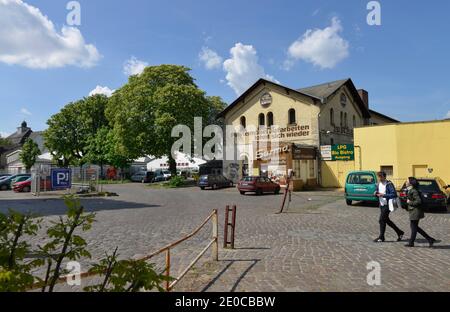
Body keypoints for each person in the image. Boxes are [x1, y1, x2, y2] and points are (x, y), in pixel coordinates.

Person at [404, 177, 436, 248]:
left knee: (414, 227)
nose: (406, 182)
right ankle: (429, 239)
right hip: (413, 211)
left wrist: (410, 202)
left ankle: (412, 242)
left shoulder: (414, 191)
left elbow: (418, 201)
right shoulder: (410, 190)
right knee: (414, 227)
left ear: (410, 183)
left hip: (415, 211)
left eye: (407, 181)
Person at [374, 172, 405, 243]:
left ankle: (381, 237)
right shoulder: (378, 184)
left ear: (384, 177)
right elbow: (377, 191)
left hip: (387, 205)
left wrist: (383, 195)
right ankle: (399, 232)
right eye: (378, 177)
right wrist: (375, 193)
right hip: (381, 204)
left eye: (380, 177)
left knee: (381, 220)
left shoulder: (389, 184)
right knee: (386, 220)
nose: (379, 178)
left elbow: (394, 194)